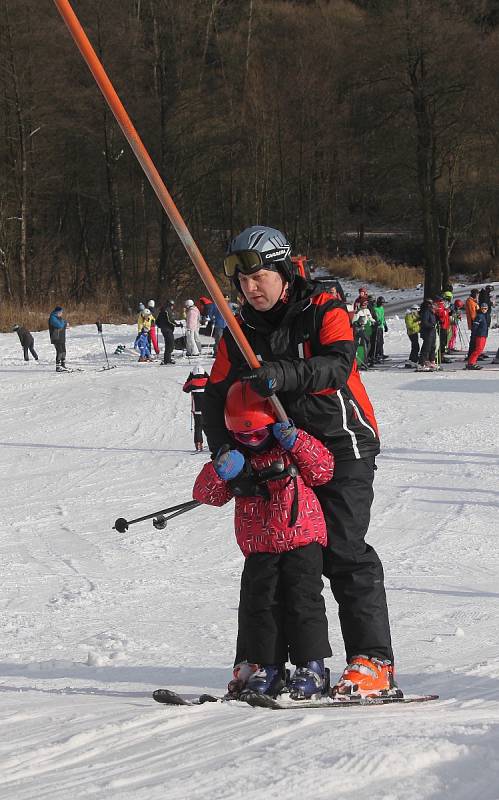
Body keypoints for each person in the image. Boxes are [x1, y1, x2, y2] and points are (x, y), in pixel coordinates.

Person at [203, 225, 396, 699]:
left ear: (285, 270)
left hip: (342, 444)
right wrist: (224, 449)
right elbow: (214, 395)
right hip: (280, 454)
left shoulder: (323, 307)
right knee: (277, 558)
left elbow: (338, 365)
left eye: (260, 276)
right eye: (243, 283)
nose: (251, 289)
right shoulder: (240, 330)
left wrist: (280, 374)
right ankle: (271, 661)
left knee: (343, 553)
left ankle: (372, 661)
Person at [193, 381, 334, 698]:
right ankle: (267, 667)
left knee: (303, 605)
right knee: (261, 608)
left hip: (302, 540)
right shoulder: (237, 458)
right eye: (244, 435)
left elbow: (324, 469)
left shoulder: (289, 448)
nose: (252, 441)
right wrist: (220, 471)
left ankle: (311, 667)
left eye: (258, 433)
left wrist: (297, 441)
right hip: (259, 548)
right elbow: (206, 496)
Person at [183, 365, 209, 451]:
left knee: (198, 426)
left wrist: (190, 377)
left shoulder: (192, 383)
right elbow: (213, 383)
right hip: (208, 408)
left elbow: (185, 389)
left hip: (197, 409)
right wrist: (206, 374)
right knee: (210, 426)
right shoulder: (208, 381)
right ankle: (213, 443)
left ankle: (198, 444)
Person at [466, 302, 489, 370]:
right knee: (478, 349)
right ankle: (471, 363)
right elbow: (475, 327)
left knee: (480, 350)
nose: (484, 310)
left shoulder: (485, 316)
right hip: (479, 335)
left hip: (484, 335)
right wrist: (474, 335)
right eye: (482, 308)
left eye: (485, 308)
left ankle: (473, 362)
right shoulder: (479, 316)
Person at [352, 300, 374, 369]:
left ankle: (365, 359)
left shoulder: (367, 310)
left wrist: (375, 322)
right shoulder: (358, 312)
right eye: (363, 305)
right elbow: (353, 321)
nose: (365, 306)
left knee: (368, 343)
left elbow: (370, 318)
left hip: (365, 328)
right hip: (359, 330)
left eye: (366, 304)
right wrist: (357, 323)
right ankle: (359, 361)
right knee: (361, 345)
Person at [417, 298, 437, 372]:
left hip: (432, 331)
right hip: (427, 332)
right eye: (430, 303)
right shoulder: (425, 311)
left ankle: (431, 361)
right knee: (426, 348)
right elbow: (424, 322)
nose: (432, 305)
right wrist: (431, 325)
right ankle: (421, 363)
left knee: (432, 347)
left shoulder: (431, 311)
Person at [155, 300, 176, 364]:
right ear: (170, 305)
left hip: (164, 330)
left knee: (168, 344)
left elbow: (157, 321)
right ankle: (167, 360)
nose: (173, 307)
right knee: (170, 344)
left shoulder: (162, 311)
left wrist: (160, 326)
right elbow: (170, 320)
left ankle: (167, 359)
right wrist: (176, 324)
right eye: (172, 305)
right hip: (168, 330)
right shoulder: (167, 310)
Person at [48, 306, 68, 372]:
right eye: (61, 312)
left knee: (63, 351)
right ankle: (58, 367)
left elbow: (63, 323)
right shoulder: (52, 318)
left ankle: (63, 365)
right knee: (59, 351)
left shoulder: (58, 317)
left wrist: (65, 323)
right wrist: (64, 323)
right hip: (56, 337)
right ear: (58, 312)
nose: (62, 313)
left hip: (61, 337)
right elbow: (60, 325)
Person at [371, 296, 389, 363]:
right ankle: (376, 354)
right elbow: (374, 316)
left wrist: (385, 325)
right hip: (376, 327)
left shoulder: (382, 308)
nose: (382, 304)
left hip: (380, 326)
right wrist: (376, 322)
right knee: (377, 342)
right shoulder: (375, 308)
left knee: (381, 341)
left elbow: (383, 317)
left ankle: (381, 353)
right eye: (381, 303)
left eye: (383, 303)